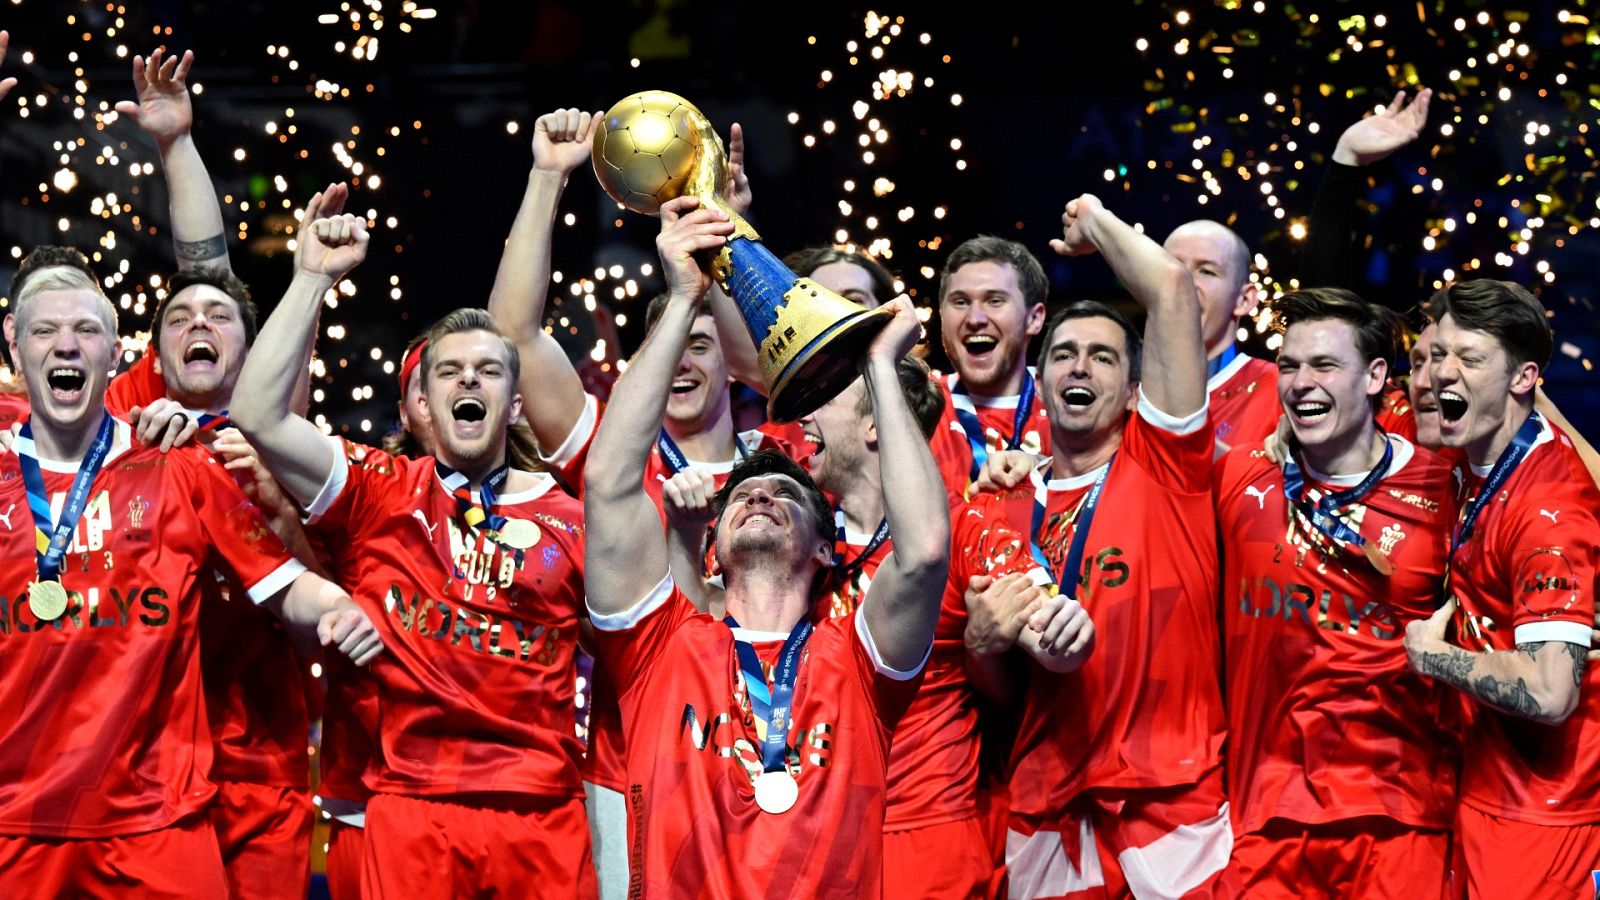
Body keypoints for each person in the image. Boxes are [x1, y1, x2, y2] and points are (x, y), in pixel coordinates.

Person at [231, 190, 598, 898]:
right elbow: (256, 412)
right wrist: (309, 278)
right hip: (410, 811)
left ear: (515, 404)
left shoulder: (577, 519)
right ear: (423, 403)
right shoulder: (380, 490)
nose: (469, 378)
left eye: (489, 370)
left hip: (541, 818)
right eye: (448, 371)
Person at [581, 195, 949, 897]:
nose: (760, 497)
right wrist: (685, 298)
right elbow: (609, 482)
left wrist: (877, 364)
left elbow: (926, 550)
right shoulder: (659, 647)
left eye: (786, 496)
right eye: (746, 495)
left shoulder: (861, 660)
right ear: (711, 550)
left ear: (821, 548)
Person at [0, 263, 380, 897]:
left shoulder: (179, 465)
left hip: (158, 826)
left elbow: (286, 584)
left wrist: (342, 606)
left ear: (116, 354)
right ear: (15, 344)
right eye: (46, 330)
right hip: (16, 822)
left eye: (85, 331)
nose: (66, 344)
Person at [975, 194, 1233, 898]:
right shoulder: (998, 503)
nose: (1079, 369)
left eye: (1100, 357)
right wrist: (986, 643)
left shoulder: (1167, 464)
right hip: (1047, 807)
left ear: (1133, 392)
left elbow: (1172, 291)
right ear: (1041, 378)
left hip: (1171, 801)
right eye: (1062, 355)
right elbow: (997, 696)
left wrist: (1094, 222)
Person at [1216, 287, 1458, 896]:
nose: (1300, 382)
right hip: (1264, 817)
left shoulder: (1446, 487)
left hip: (1401, 816)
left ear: (1377, 375)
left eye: (1324, 365)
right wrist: (1019, 470)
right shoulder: (1239, 475)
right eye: (1290, 365)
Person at [1403, 279, 1600, 898]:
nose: (1441, 374)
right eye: (1439, 354)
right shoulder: (1473, 453)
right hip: (1488, 785)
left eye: (1471, 358)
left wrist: (1433, 657)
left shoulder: (1549, 512)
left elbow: (1549, 692)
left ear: (1522, 380)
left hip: (1543, 811)